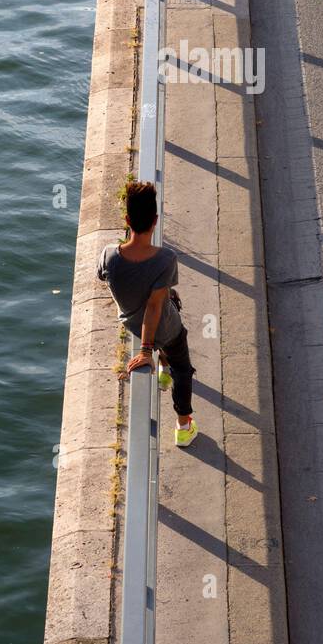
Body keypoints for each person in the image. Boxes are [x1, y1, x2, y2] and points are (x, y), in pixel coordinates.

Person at [98, 179, 197, 447]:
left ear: (127, 219)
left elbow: (103, 277)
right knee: (183, 369)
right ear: (155, 220)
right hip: (163, 329)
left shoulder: (109, 255)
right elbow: (154, 307)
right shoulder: (165, 259)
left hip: (132, 322)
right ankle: (184, 424)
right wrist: (145, 351)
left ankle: (162, 366)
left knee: (168, 299)